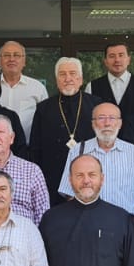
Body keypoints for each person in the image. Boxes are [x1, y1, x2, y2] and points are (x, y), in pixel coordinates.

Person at [57, 102, 134, 216]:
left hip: (125, 224)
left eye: (112, 118)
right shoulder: (78, 151)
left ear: (120, 123)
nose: (107, 123)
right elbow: (69, 192)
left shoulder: (133, 153)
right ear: (93, 124)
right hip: (88, 222)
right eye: (101, 118)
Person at [27, 57, 103, 205]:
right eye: (62, 74)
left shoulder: (96, 105)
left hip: (88, 179)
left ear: (80, 79)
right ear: (56, 80)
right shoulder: (44, 108)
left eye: (72, 73)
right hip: (52, 178)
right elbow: (36, 148)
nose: (68, 78)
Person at [0, 41, 49, 142]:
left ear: (24, 61)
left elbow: (45, 121)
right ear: (0, 61)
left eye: (16, 55)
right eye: (7, 55)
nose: (11, 59)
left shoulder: (37, 88)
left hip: (27, 148)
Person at [88, 42, 134, 119]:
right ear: (105, 61)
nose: (117, 60)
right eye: (112, 56)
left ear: (129, 59)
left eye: (121, 55)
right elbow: (88, 116)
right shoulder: (92, 86)